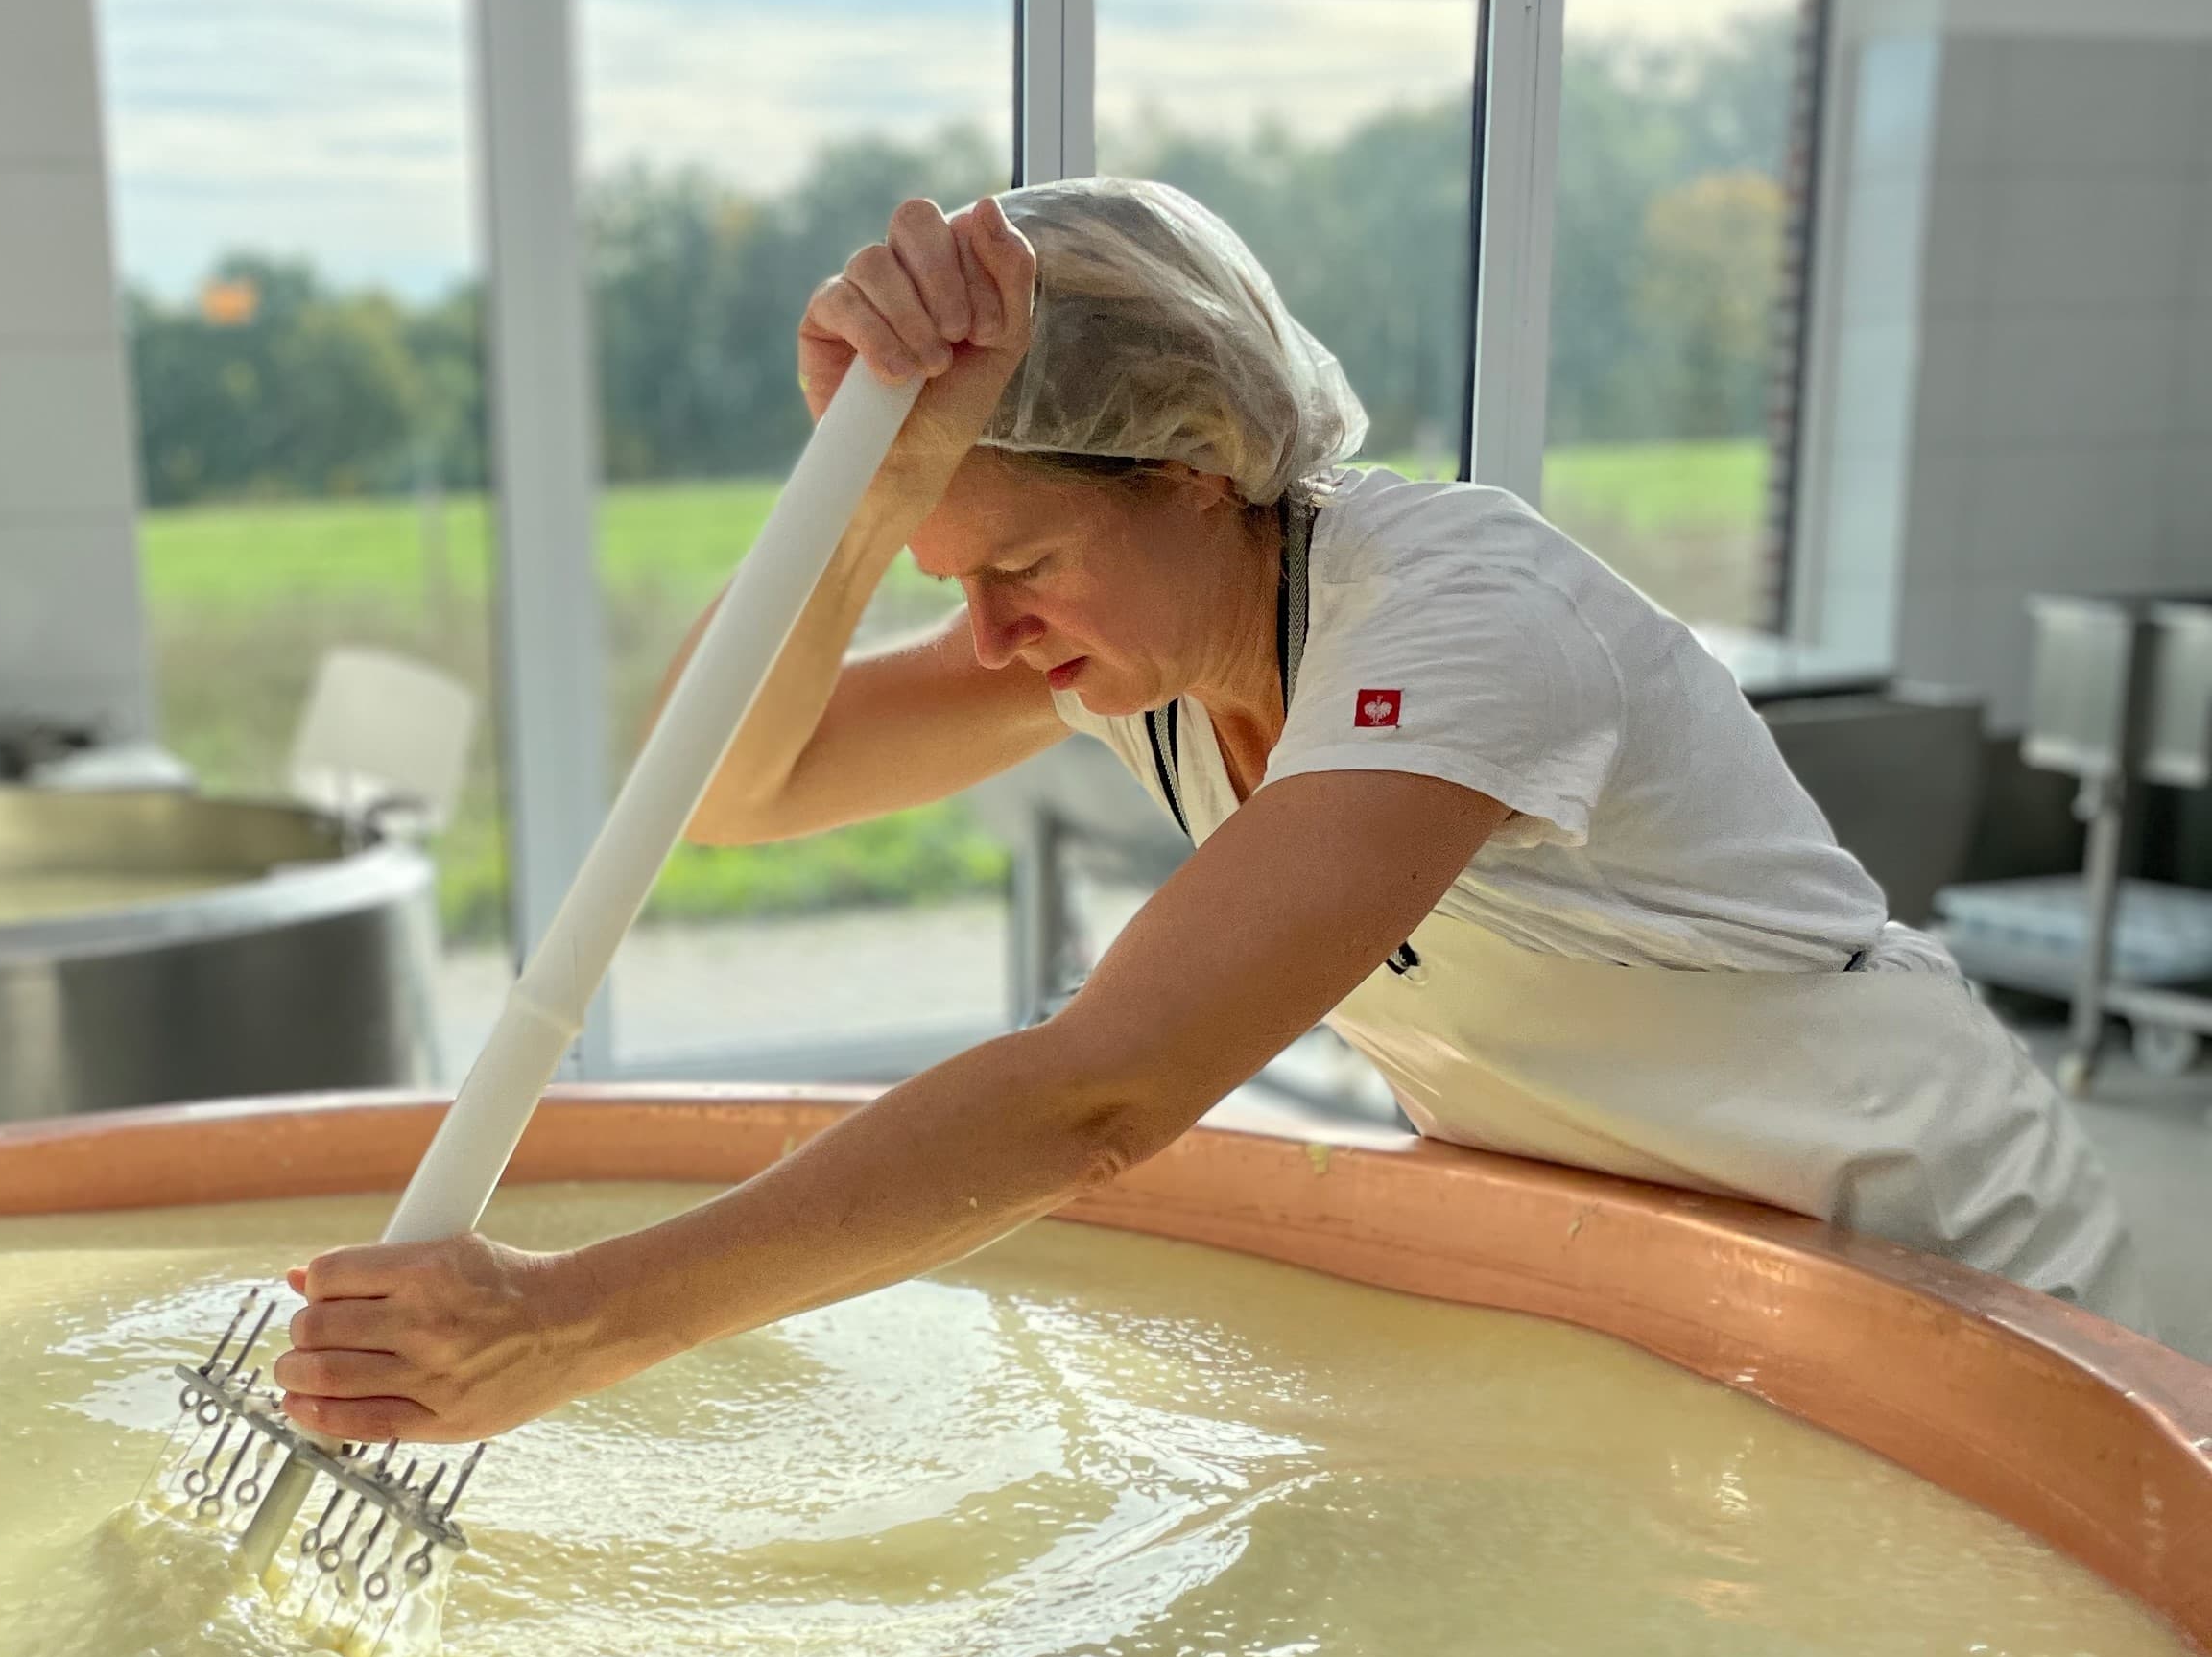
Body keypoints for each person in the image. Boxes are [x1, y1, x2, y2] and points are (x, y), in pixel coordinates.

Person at [277, 178, 2138, 1447]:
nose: (988, 636)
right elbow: (728, 791)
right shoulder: (1147, 640)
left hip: (1930, 1248)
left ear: (1193, 472)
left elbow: (1104, 1096)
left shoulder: (1462, 624)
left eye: (1020, 566)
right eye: (950, 576)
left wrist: (572, 1322)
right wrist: (867, 487)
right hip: (1639, 1253)